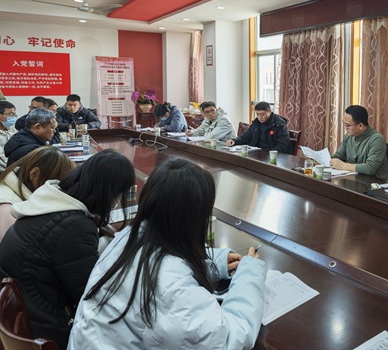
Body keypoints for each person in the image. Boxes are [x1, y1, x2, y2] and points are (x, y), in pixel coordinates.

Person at [68, 158, 266, 350]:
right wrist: (250, 272)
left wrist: (216, 263)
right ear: (193, 217)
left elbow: (167, 265)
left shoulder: (130, 236)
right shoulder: (169, 285)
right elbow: (228, 340)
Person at [0, 149, 136, 348]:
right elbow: (92, 294)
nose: (116, 201)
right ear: (107, 192)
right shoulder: (74, 226)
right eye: (118, 194)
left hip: (28, 311)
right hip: (48, 328)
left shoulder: (51, 200)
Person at [0, 146, 75, 241]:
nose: (57, 190)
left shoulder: (16, 192)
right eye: (54, 184)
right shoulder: (7, 209)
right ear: (34, 174)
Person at [330, 105, 388, 180]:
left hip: (374, 182)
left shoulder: (377, 139)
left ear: (360, 125)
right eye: (344, 124)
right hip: (354, 179)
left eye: (347, 125)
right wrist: (326, 160)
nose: (345, 128)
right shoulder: (348, 137)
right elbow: (339, 155)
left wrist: (343, 166)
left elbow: (370, 168)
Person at [226, 102, 291, 153]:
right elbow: (246, 137)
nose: (260, 117)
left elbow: (283, 144)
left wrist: (270, 154)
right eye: (257, 114)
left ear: (270, 112)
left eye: (262, 114)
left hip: (272, 155)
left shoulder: (279, 124)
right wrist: (234, 140)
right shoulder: (256, 123)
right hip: (257, 153)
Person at [0, 101, 18, 170]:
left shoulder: (12, 129)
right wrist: (13, 169)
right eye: (10, 114)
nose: (12, 117)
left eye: (14, 114)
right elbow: (1, 157)